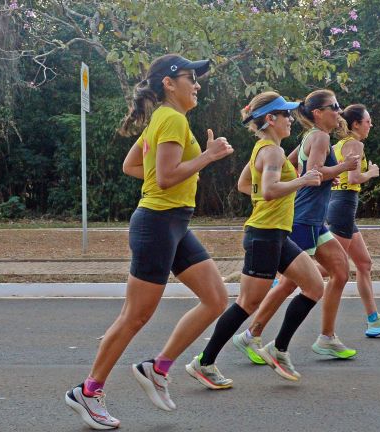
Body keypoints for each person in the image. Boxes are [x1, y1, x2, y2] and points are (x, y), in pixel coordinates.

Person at [66, 54, 233, 430]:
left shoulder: (164, 118)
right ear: (169, 83)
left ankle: (156, 368)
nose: (198, 84)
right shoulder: (171, 118)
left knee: (216, 299)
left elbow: (132, 166)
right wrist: (207, 157)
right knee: (135, 316)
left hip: (174, 223)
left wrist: (170, 171)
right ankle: (88, 391)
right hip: (158, 224)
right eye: (192, 78)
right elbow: (168, 176)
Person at [184, 91, 324, 389]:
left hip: (276, 234)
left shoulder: (265, 148)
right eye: (285, 114)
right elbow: (271, 189)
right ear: (270, 119)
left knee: (314, 286)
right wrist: (303, 180)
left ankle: (278, 349)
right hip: (263, 236)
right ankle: (204, 363)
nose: (290, 119)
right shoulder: (271, 152)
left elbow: (245, 184)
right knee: (247, 303)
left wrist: (267, 196)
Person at [233, 89, 361, 362]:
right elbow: (312, 172)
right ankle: (251, 334)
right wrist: (342, 168)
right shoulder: (320, 136)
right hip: (303, 218)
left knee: (340, 270)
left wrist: (324, 177)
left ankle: (326, 337)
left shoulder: (307, 137)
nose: (338, 111)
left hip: (315, 219)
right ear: (318, 112)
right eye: (333, 106)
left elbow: (296, 166)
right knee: (290, 284)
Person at [327, 104, 380, 337]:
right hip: (344, 205)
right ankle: (286, 275)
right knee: (331, 267)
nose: (371, 125)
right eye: (368, 121)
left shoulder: (337, 145)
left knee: (364, 264)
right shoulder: (355, 143)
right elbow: (354, 177)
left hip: (339, 203)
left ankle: (374, 320)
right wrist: (371, 173)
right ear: (356, 124)